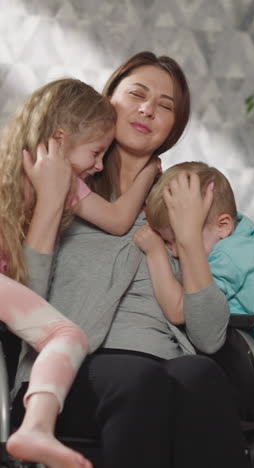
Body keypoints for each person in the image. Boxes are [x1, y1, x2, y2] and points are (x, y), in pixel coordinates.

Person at [12, 52, 250, 468]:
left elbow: (210, 337)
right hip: (71, 371)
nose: (147, 109)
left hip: (165, 365)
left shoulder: (183, 198)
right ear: (109, 101)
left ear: (173, 128)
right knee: (138, 381)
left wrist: (190, 238)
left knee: (202, 375)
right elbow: (24, 305)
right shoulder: (61, 182)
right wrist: (50, 203)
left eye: (165, 105)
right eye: (137, 94)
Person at [0, 78, 160, 468]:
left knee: (66, 334)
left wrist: (149, 171)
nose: (99, 165)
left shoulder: (67, 183)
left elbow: (120, 219)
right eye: (95, 152)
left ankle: (36, 429)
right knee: (67, 334)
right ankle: (36, 428)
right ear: (59, 140)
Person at [134, 160, 254, 355]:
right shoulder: (242, 230)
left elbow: (181, 311)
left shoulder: (227, 258)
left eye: (177, 240)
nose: (175, 252)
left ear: (223, 225)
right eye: (166, 243)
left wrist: (155, 252)